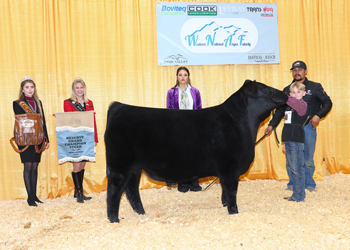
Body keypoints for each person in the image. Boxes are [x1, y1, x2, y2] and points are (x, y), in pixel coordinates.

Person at [265, 61, 332, 192]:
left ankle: (309, 184)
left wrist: (318, 115)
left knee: (307, 158)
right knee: (290, 157)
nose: (297, 72)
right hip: (291, 128)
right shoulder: (287, 90)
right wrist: (272, 125)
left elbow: (328, 103)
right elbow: (280, 111)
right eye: (294, 70)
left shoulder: (315, 87)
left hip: (307, 127)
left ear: (305, 71)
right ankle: (292, 183)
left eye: (300, 69)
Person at [13, 76, 50, 206]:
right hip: (25, 138)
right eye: (27, 87)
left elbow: (43, 122)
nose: (30, 89)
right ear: (22, 89)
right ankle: (29, 198)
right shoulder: (17, 103)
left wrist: (46, 139)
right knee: (28, 167)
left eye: (32, 87)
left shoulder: (38, 103)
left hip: (38, 138)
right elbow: (23, 120)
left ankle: (34, 196)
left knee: (35, 167)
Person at [166, 67, 202, 193]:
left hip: (193, 127)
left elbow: (199, 110)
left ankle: (194, 182)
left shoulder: (195, 91)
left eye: (185, 75)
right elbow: (169, 111)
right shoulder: (171, 92)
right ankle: (183, 183)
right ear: (177, 77)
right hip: (178, 126)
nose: (182, 77)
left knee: (194, 154)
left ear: (188, 77)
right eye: (180, 75)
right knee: (180, 155)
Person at [64, 77, 98, 203]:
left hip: (88, 136)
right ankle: (79, 193)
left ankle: (78, 191)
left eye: (81, 87)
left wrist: (95, 138)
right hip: (76, 137)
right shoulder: (68, 102)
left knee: (83, 163)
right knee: (77, 163)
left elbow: (92, 121)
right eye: (77, 88)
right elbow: (71, 119)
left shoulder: (89, 102)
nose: (79, 90)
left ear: (84, 89)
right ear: (73, 89)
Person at [282, 82, 310, 202]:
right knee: (293, 168)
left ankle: (299, 196)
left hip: (297, 140)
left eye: (298, 92)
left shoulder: (303, 105)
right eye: (293, 92)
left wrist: (283, 96)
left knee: (298, 168)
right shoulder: (289, 107)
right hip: (289, 139)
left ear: (304, 93)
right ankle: (296, 194)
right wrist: (284, 143)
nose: (295, 94)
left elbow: (293, 102)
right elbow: (287, 124)